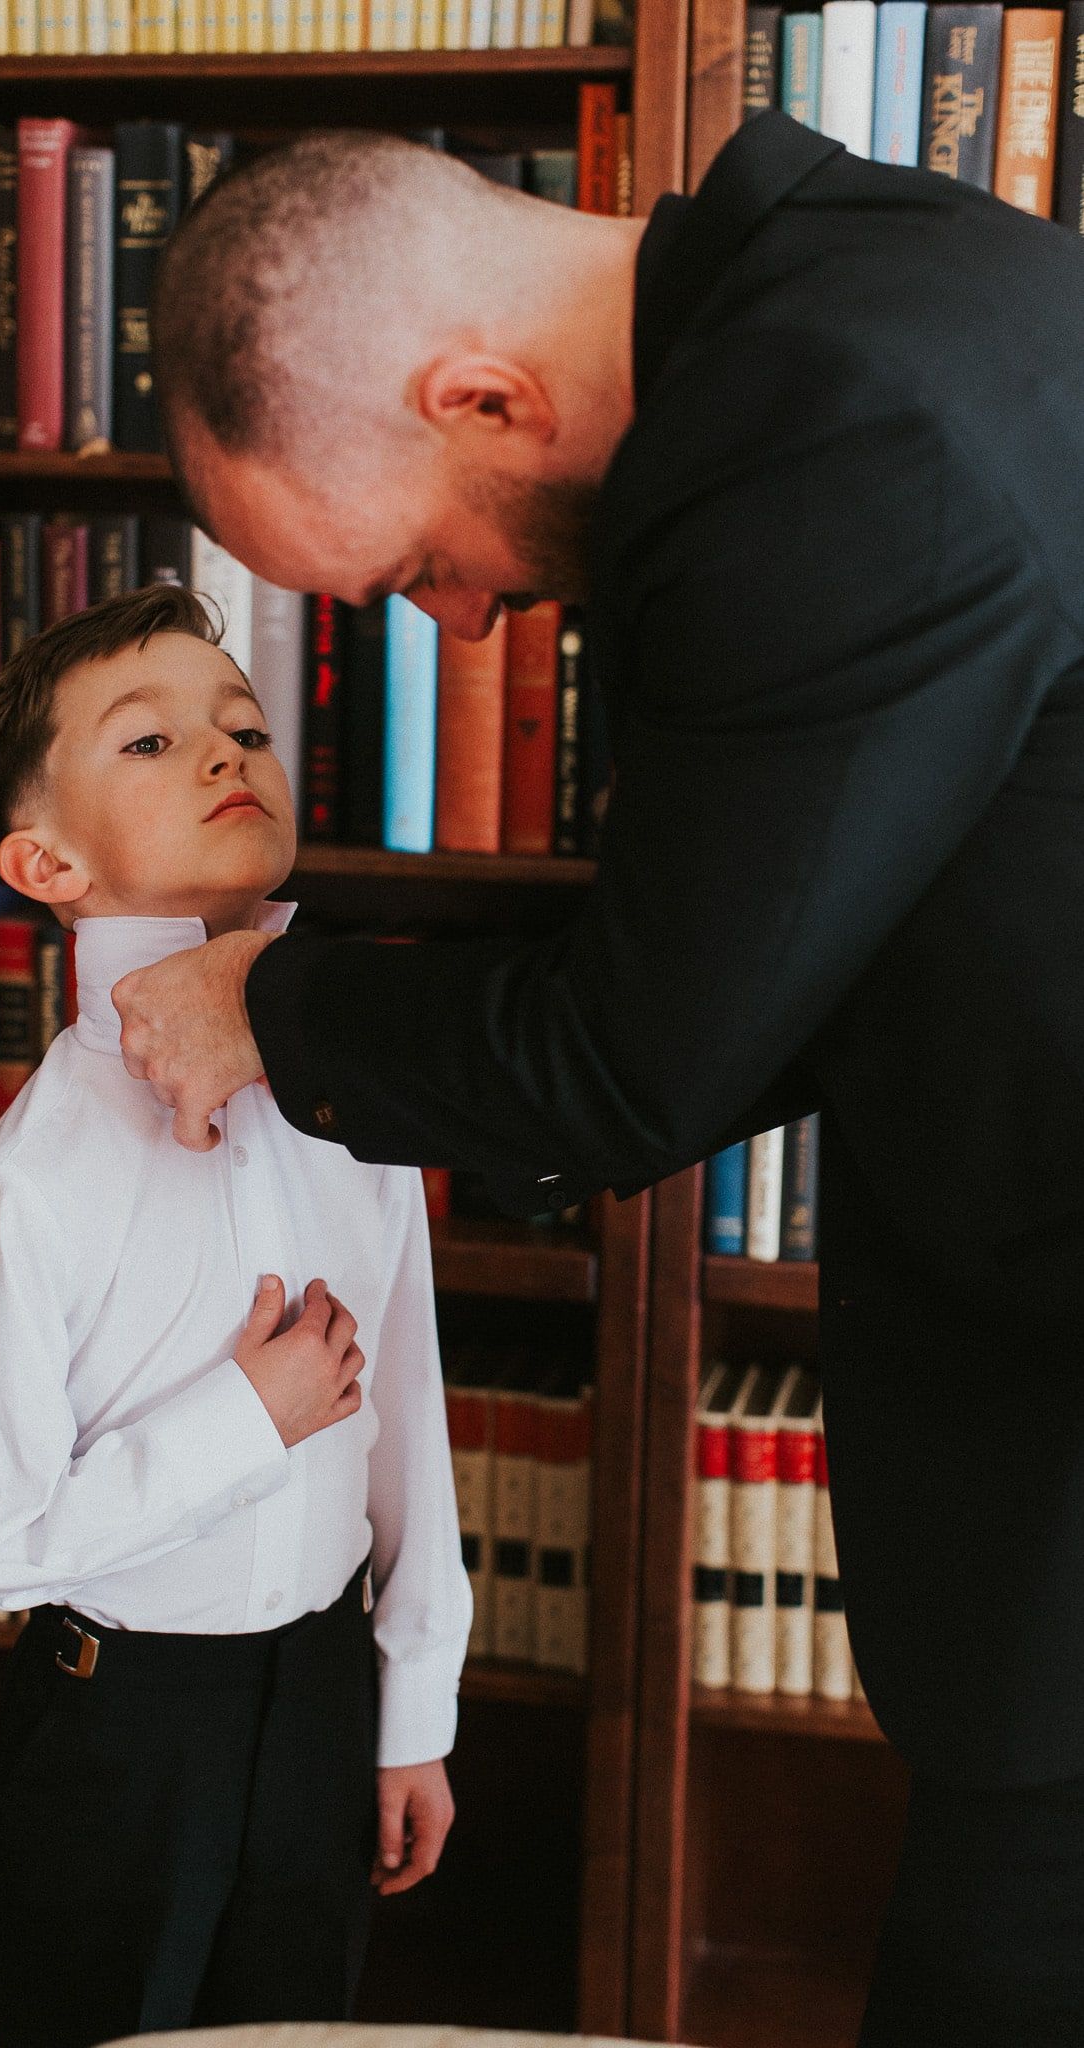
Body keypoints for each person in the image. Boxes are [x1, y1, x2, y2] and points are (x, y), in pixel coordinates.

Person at [112, 114, 1084, 2044]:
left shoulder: (827, 437)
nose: (463, 624)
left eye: (411, 570)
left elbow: (625, 1063)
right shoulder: (893, 274)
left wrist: (264, 1014)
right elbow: (791, 961)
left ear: (480, 395)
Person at [0, 583, 470, 2048]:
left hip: (323, 1698)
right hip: (119, 1731)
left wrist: (411, 1709)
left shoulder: (358, 1103)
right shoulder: (30, 1188)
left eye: (245, 727)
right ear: (48, 860)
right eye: (149, 744)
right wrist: (248, 1420)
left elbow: (406, 1416)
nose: (226, 755)